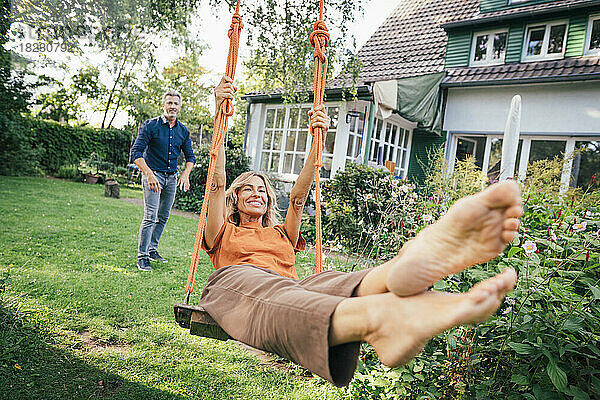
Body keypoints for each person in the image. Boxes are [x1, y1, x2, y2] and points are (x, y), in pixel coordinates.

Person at [199, 76, 523, 387]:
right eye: (247, 190)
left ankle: (395, 272)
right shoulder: (222, 233)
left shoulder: (282, 235)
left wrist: (318, 142)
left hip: (292, 286)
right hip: (236, 282)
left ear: (269, 199)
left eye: (262, 190)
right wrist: (220, 117)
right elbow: (215, 184)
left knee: (326, 282)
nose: (256, 193)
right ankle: (377, 317)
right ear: (235, 199)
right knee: (279, 296)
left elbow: (298, 198)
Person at [131, 90, 196, 271]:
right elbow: (136, 153)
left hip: (171, 178)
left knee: (163, 216)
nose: (172, 106)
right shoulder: (151, 126)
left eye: (175, 104)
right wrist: (149, 174)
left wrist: (185, 174)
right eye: (169, 103)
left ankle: (152, 249)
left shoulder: (183, 131)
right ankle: (142, 257)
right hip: (153, 176)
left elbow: (190, 157)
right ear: (163, 105)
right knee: (150, 216)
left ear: (179, 107)